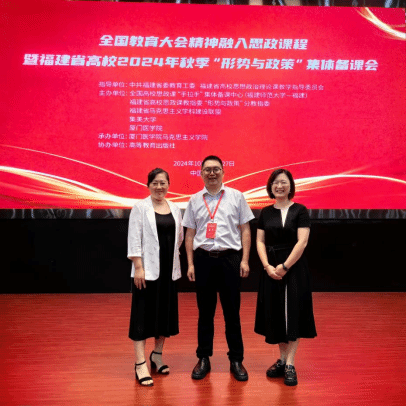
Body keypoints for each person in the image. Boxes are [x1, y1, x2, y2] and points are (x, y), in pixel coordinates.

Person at [182, 155, 255, 381]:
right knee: (205, 313)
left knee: (232, 312)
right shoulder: (195, 200)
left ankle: (236, 359)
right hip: (203, 259)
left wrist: (244, 260)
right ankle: (203, 358)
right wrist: (190, 263)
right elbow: (190, 234)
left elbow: (245, 230)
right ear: (201, 173)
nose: (211, 173)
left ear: (223, 172)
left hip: (229, 259)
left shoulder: (237, 196)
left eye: (216, 169)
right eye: (207, 169)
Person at [254, 168, 317, 386]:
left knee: (294, 314)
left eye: (283, 182)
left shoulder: (300, 210)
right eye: (275, 183)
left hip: (294, 268)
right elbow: (260, 241)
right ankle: (281, 359)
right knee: (277, 314)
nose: (279, 186)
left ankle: (290, 363)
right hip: (270, 268)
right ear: (270, 187)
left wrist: (285, 266)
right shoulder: (265, 212)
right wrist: (267, 266)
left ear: (290, 186)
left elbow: (302, 242)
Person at [127, 168, 184, 387]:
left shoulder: (175, 208)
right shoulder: (140, 207)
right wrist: (138, 267)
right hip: (146, 271)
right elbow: (134, 238)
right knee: (142, 316)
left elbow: (179, 238)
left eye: (163, 183)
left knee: (164, 315)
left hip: (168, 271)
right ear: (148, 185)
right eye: (155, 183)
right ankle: (140, 363)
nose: (159, 187)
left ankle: (157, 355)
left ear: (168, 185)